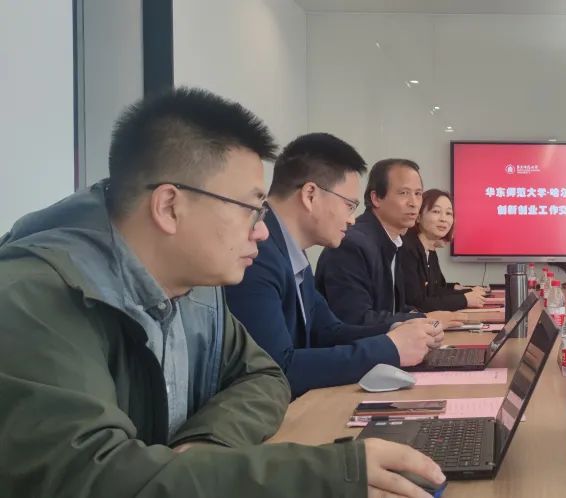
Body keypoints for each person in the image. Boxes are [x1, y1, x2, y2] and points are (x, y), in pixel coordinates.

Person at [0, 88, 443, 496]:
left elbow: (264, 375)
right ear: (170, 206)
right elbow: (97, 480)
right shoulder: (31, 302)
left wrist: (207, 445)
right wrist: (328, 475)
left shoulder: (196, 287)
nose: (263, 231)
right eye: (250, 208)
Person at [225, 133, 444, 397]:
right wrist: (390, 348)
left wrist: (393, 331)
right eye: (349, 205)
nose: (352, 219)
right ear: (310, 194)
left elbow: (328, 331)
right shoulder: (257, 256)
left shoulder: (291, 251)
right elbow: (277, 369)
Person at [316, 159, 466, 326]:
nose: (413, 203)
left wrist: (421, 317)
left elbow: (394, 309)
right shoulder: (352, 245)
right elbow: (356, 320)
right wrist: (425, 320)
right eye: (404, 193)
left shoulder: (394, 242)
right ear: (376, 198)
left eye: (418, 194)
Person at [400, 189, 488, 312]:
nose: (444, 219)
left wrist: (467, 291)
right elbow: (417, 303)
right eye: (436, 211)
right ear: (418, 216)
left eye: (448, 213)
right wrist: (464, 299)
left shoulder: (430, 251)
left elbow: (436, 290)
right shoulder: (407, 249)